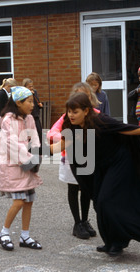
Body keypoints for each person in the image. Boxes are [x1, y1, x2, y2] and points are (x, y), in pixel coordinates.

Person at [50, 91, 140, 256]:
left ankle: (120, 242)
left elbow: (127, 129)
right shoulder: (73, 126)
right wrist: (34, 150)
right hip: (101, 166)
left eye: (74, 111)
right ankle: (112, 241)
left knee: (106, 201)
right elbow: (59, 147)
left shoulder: (101, 121)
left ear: (86, 111)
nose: (70, 115)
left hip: (119, 162)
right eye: (69, 111)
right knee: (99, 203)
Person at [47, 82, 99, 239]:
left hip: (88, 157)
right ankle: (77, 223)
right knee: (73, 188)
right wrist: (67, 138)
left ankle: (84, 220)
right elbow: (52, 133)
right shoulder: (68, 116)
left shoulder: (96, 114)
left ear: (91, 97)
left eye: (86, 96)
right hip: (71, 158)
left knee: (86, 190)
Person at [0, 86, 43, 251]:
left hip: (27, 165)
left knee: (28, 201)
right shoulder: (8, 120)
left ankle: (25, 235)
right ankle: (4, 232)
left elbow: (35, 138)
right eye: (29, 101)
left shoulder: (28, 118)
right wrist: (30, 160)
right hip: (12, 167)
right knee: (19, 201)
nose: (33, 104)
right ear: (18, 102)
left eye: (32, 101)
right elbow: (11, 144)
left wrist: (37, 156)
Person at [23, 78, 44, 151]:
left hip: (35, 114)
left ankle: (41, 148)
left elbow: (37, 100)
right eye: (29, 86)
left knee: (39, 132)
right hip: (28, 116)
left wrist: (39, 104)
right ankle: (29, 149)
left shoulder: (34, 92)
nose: (31, 88)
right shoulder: (24, 93)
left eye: (32, 86)